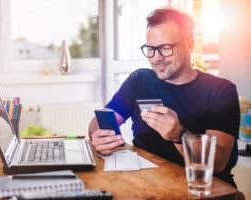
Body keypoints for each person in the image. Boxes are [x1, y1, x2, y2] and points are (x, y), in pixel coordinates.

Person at [88, 8, 240, 187]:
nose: (156, 58)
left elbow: (219, 162)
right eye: (151, 49)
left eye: (166, 48)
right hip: (146, 183)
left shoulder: (221, 90)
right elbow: (102, 120)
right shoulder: (139, 80)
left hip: (204, 189)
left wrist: (179, 135)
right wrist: (98, 136)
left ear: (189, 45)